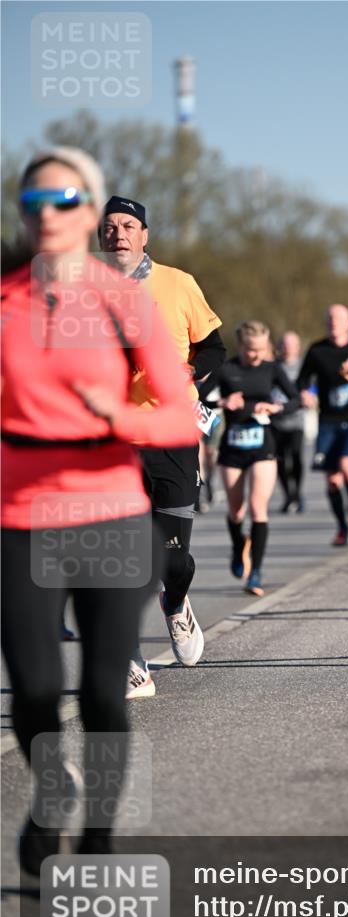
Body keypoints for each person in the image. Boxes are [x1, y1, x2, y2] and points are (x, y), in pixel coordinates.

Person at [1, 147, 199, 873]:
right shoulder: (5, 298)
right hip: (21, 518)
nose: (47, 215)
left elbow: (179, 412)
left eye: (63, 201)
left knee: (104, 695)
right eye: (34, 203)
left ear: (88, 212)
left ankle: (98, 838)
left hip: (112, 514)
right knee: (34, 690)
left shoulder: (124, 299)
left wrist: (117, 416)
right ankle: (53, 788)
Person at [99, 196, 225, 695]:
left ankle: (174, 602)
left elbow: (214, 347)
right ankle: (131, 661)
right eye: (110, 227)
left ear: (145, 235)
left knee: (173, 560)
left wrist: (189, 371)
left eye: (129, 226)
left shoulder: (177, 283)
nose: (119, 234)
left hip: (172, 434)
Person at [216, 321, 299, 596]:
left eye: (261, 349)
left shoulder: (271, 368)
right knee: (236, 511)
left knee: (257, 507)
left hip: (263, 446)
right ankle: (238, 545)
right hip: (232, 448)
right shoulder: (226, 369)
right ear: (240, 345)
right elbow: (199, 398)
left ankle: (256, 573)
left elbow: (295, 399)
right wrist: (223, 403)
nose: (256, 355)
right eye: (251, 350)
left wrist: (276, 407)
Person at [297, 305, 348, 546]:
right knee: (332, 480)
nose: (333, 323)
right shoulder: (317, 350)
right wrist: (305, 393)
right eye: (329, 319)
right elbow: (302, 380)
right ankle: (342, 528)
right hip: (328, 420)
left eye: (338, 319)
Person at [273, 331, 306, 513]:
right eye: (284, 345)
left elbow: (313, 386)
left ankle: (298, 494)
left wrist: (311, 397)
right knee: (279, 461)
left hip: (296, 421)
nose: (288, 349)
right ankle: (288, 495)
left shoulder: (302, 367)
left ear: (298, 347)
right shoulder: (273, 367)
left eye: (291, 345)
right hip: (276, 422)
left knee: (296, 457)